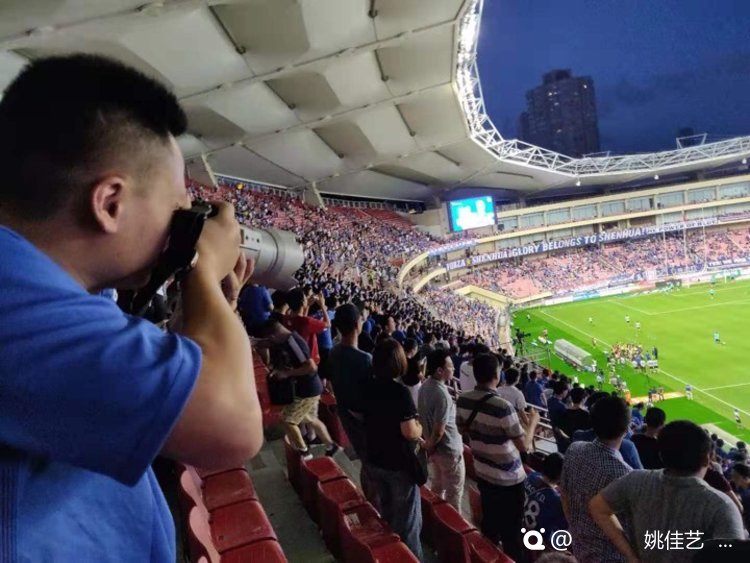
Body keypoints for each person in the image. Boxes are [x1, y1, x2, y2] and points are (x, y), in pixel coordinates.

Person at [0, 54, 263, 561]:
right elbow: (232, 428)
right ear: (110, 203)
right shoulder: (9, 292)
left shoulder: (58, 288)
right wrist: (201, 266)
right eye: (176, 209)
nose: (180, 228)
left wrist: (213, 303)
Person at [590, 421, 745, 563]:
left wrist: (631, 556)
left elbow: (597, 507)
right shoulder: (722, 506)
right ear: (707, 459)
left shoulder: (636, 480)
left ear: (661, 456)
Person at [457, 353, 540, 563]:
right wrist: (532, 423)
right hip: (509, 481)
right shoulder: (502, 407)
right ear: (497, 375)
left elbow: (462, 429)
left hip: (483, 472)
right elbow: (524, 446)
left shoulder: (463, 399)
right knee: (512, 533)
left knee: (491, 525)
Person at [361, 339, 424, 560]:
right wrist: (420, 427)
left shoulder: (367, 386)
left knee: (387, 513)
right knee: (408, 524)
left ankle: (391, 556)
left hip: (374, 458)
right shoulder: (400, 393)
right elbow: (409, 432)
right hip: (398, 464)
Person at [560, 397, 633, 563]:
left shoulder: (574, 449)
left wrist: (576, 530)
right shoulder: (626, 475)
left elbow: (564, 495)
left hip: (579, 547)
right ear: (626, 429)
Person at [260, 318, 339, 460]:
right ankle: (331, 446)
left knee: (287, 420)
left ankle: (305, 452)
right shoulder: (286, 340)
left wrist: (287, 373)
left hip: (308, 389)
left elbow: (311, 367)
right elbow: (269, 344)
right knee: (310, 418)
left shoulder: (294, 342)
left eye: (271, 338)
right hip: (310, 387)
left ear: (274, 334)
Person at [327, 303, 376, 503]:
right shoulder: (365, 359)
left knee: (366, 461)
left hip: (346, 415)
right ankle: (374, 504)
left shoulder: (333, 352)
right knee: (372, 464)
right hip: (364, 422)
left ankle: (370, 500)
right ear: (357, 324)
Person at [419, 350, 466, 512]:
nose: (453, 369)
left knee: (437, 487)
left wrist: (429, 446)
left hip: (435, 451)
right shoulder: (442, 395)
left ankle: (436, 518)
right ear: (439, 370)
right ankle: (454, 523)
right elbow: (439, 431)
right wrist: (429, 445)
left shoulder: (425, 386)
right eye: (450, 366)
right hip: (448, 451)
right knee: (454, 494)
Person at [524, 453, 568, 545]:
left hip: (521, 525)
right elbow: (564, 524)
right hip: (540, 539)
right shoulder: (556, 500)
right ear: (560, 476)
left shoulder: (531, 477)